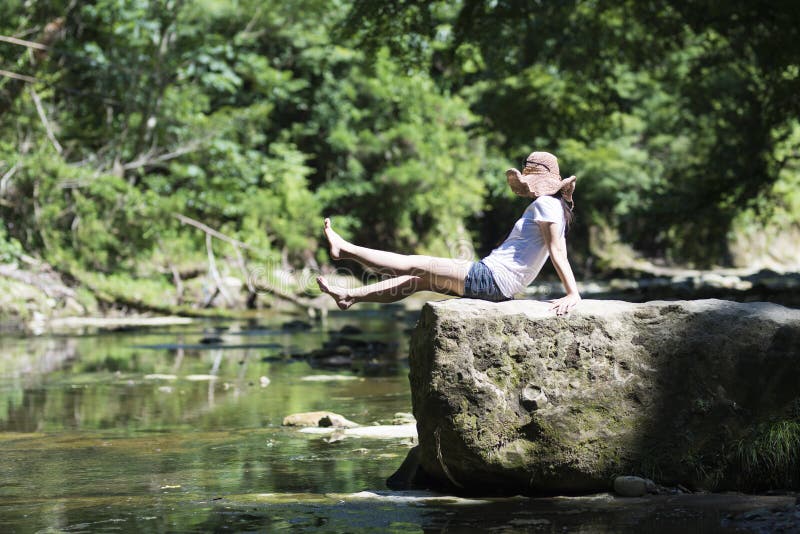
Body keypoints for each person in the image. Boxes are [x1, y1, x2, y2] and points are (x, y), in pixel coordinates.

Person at [316, 151, 582, 315]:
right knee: (417, 280)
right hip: (496, 282)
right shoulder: (554, 207)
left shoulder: (545, 205)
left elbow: (558, 253)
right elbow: (559, 249)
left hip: (491, 279)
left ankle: (345, 249)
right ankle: (350, 296)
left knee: (414, 263)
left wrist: (572, 293)